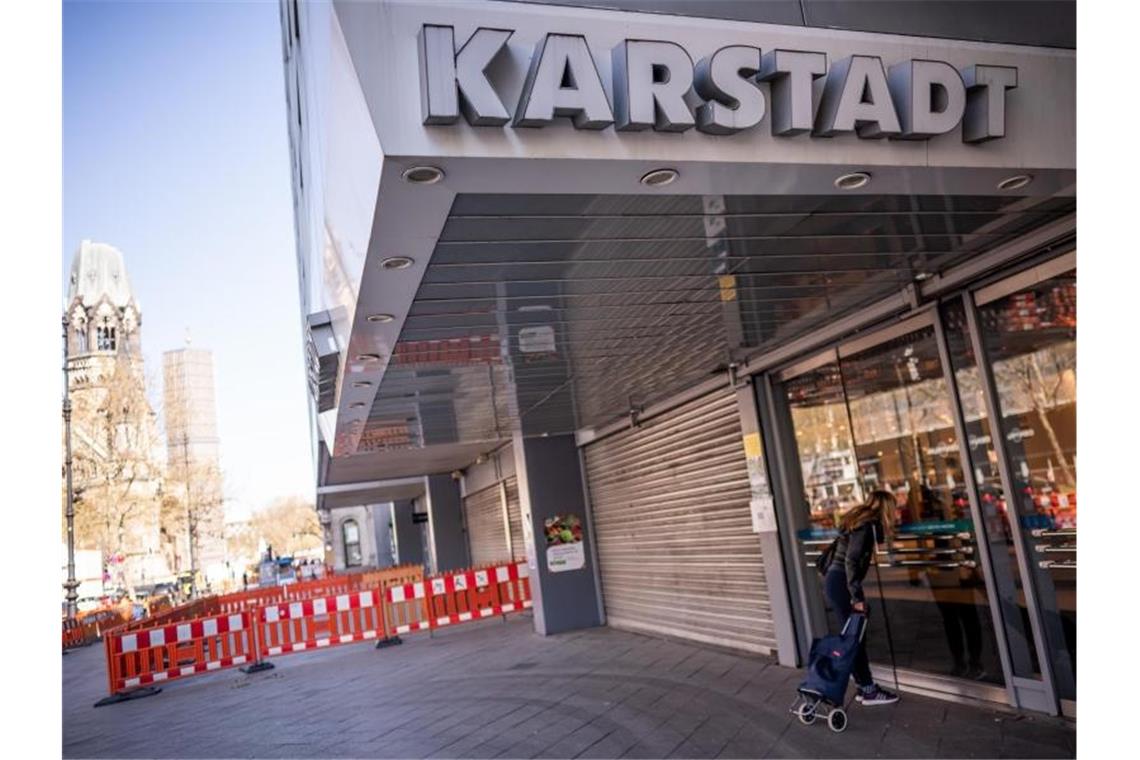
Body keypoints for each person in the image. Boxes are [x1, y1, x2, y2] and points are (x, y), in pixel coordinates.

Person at [825, 489, 900, 706]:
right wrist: (856, 596)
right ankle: (868, 690)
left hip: (837, 581)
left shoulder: (859, 518)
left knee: (854, 637)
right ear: (886, 508)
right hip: (842, 584)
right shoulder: (867, 525)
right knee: (854, 639)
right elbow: (851, 560)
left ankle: (863, 687)